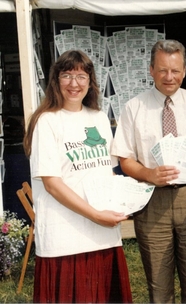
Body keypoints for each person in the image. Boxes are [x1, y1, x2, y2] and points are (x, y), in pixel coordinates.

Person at [22, 50, 132, 303]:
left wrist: (126, 202)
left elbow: (108, 172)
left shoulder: (100, 118)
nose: (74, 84)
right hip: (65, 238)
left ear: (90, 81)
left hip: (103, 235)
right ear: (55, 80)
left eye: (81, 76)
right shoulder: (46, 121)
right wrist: (96, 215)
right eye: (67, 75)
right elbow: (52, 184)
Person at [111, 39, 186, 303]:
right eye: (162, 70)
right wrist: (150, 175)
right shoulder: (134, 108)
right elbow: (125, 158)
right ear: (151, 70)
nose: (169, 77)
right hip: (151, 200)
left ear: (184, 71)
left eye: (175, 70)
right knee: (158, 286)